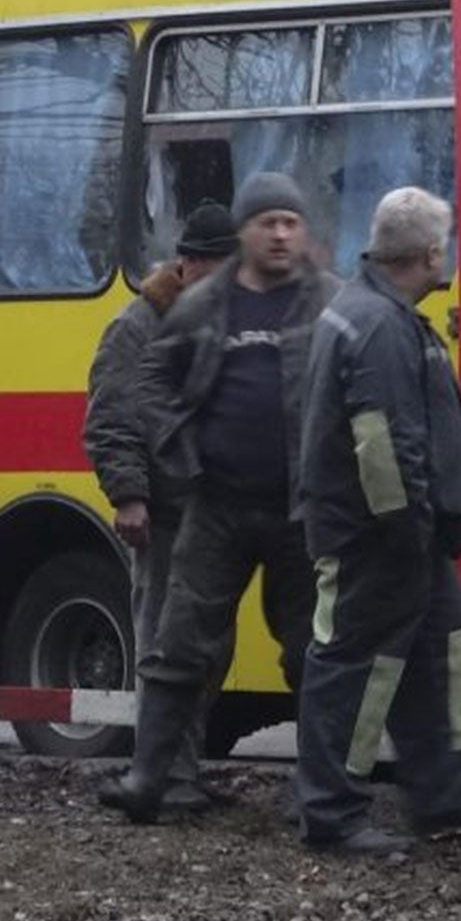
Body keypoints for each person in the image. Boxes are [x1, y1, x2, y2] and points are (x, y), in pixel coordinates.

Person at [292, 187, 461, 857]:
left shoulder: (369, 313)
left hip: (407, 537)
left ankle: (444, 793)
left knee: (441, 657)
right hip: (381, 540)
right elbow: (383, 444)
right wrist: (407, 531)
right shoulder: (381, 327)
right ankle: (333, 814)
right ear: (429, 254)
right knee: (358, 674)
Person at [100, 173, 332, 822]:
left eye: (290, 222)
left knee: (309, 650)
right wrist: (160, 474)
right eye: (266, 223)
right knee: (177, 646)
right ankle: (157, 780)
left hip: (295, 511)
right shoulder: (183, 312)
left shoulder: (324, 301)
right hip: (207, 508)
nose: (279, 234)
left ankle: (321, 793)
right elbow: (129, 402)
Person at [82, 200, 238, 813]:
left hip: (211, 513)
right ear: (189, 265)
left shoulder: (219, 321)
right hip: (167, 513)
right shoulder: (138, 326)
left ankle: (182, 771)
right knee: (165, 648)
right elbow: (112, 419)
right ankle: (163, 777)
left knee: (208, 649)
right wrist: (129, 496)